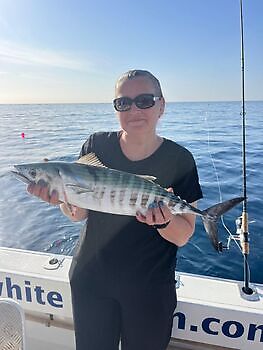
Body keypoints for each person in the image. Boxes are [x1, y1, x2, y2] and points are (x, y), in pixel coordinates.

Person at [27, 69, 203, 350]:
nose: (134, 109)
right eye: (124, 102)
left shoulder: (180, 160)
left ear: (162, 105)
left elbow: (183, 235)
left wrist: (163, 222)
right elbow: (78, 213)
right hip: (91, 280)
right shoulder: (96, 145)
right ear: (115, 108)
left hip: (150, 288)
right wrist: (62, 198)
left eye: (144, 100)